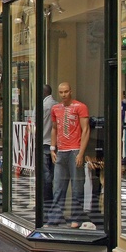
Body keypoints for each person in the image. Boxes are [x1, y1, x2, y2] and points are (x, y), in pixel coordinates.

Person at [47, 82, 91, 228]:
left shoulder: (80, 107)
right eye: (61, 92)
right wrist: (53, 148)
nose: (64, 95)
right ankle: (54, 218)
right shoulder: (56, 108)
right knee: (58, 186)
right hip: (62, 151)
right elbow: (54, 128)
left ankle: (76, 218)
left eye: (66, 92)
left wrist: (81, 152)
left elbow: (85, 130)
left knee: (77, 185)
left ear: (70, 91)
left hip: (75, 150)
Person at [41, 84, 58, 222]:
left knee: (45, 176)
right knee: (52, 175)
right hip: (55, 144)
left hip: (44, 142)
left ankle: (47, 203)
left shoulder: (41, 106)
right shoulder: (57, 105)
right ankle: (52, 205)